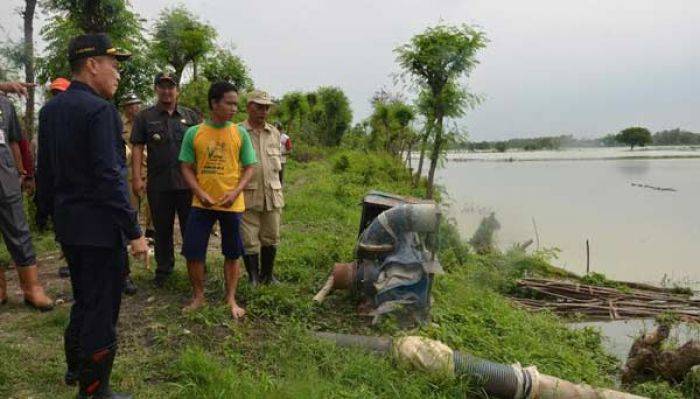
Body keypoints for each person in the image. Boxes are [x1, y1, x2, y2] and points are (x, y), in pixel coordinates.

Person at [35, 33, 148, 399]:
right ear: (92, 65)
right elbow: (109, 177)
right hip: (100, 230)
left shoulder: (51, 110)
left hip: (70, 227)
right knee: (101, 309)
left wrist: (48, 214)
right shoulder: (101, 112)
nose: (117, 74)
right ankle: (95, 390)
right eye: (113, 65)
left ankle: (75, 367)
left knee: (85, 298)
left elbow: (45, 173)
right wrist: (134, 232)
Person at [179, 81, 256, 318]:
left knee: (232, 253)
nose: (234, 108)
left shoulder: (239, 133)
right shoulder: (194, 133)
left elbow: (250, 167)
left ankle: (231, 299)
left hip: (232, 205)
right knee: (193, 251)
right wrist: (199, 192)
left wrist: (235, 192)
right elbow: (185, 166)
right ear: (214, 103)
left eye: (236, 104)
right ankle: (198, 297)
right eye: (229, 103)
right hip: (201, 204)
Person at [130, 72, 199, 287]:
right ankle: (164, 269)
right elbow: (138, 148)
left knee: (192, 227)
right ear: (156, 89)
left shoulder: (191, 116)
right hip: (159, 183)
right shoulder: (145, 117)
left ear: (177, 90)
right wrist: (136, 178)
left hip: (188, 183)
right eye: (162, 86)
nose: (167, 91)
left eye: (171, 87)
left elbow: (201, 147)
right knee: (161, 228)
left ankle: (195, 268)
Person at [0, 84, 54, 311]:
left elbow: (14, 140)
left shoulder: (5, 104)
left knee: (19, 230)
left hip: (5, 174)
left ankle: (32, 288)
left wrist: (23, 172)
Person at [240, 90, 284, 286]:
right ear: (249, 107)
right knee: (249, 237)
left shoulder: (274, 133)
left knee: (271, 235)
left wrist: (280, 188)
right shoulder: (237, 131)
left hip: (272, 193)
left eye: (266, 107)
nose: (263, 111)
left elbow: (279, 166)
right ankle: (253, 277)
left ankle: (268, 275)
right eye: (259, 106)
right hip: (247, 192)